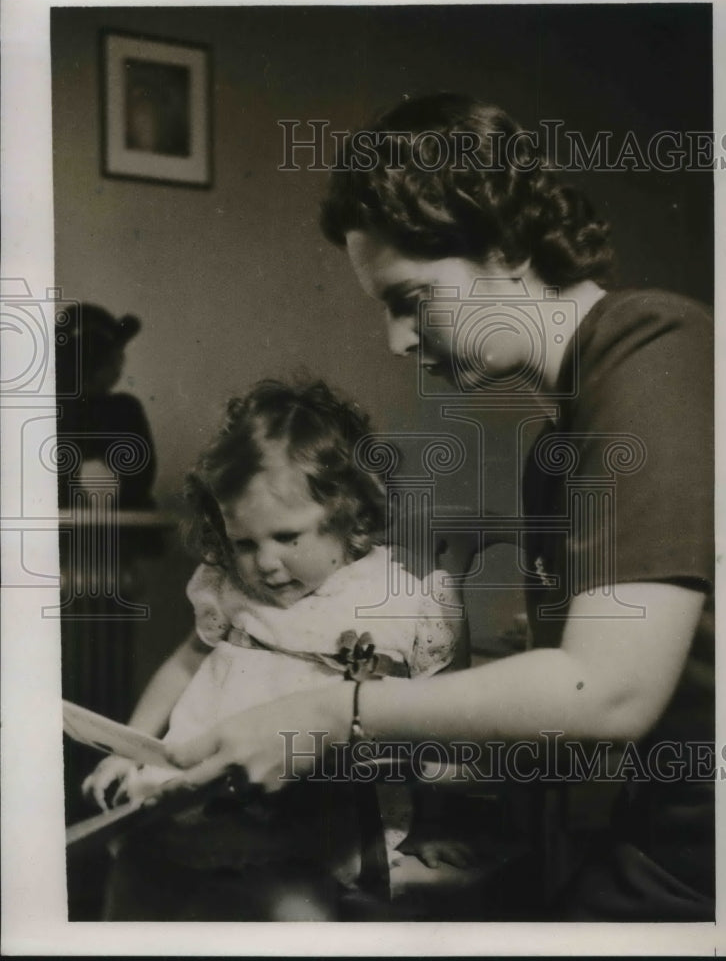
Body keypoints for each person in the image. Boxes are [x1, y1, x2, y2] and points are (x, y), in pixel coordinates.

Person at [161, 94, 714, 921]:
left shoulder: (652, 343)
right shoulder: (556, 446)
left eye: (409, 299)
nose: (397, 342)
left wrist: (326, 713)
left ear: (509, 245)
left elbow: (606, 692)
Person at [82, 377, 468, 920]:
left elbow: (436, 722)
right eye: (244, 542)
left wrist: (437, 822)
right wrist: (131, 745)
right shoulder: (230, 590)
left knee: (289, 906)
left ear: (351, 513)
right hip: (206, 793)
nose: (264, 563)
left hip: (317, 812)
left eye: (288, 538)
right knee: (145, 875)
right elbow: (186, 661)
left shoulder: (395, 597)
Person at [56, 302, 156, 509]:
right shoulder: (124, 409)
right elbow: (140, 477)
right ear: (95, 365)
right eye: (114, 360)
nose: (120, 366)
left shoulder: (53, 410)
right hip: (116, 521)